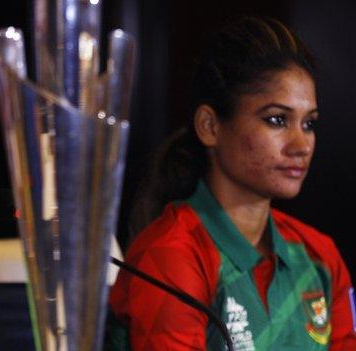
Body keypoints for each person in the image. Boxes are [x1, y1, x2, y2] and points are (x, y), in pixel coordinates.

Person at [109, 17, 356, 350]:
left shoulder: (319, 255)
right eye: (277, 120)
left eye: (309, 124)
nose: (302, 145)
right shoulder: (171, 254)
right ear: (210, 126)